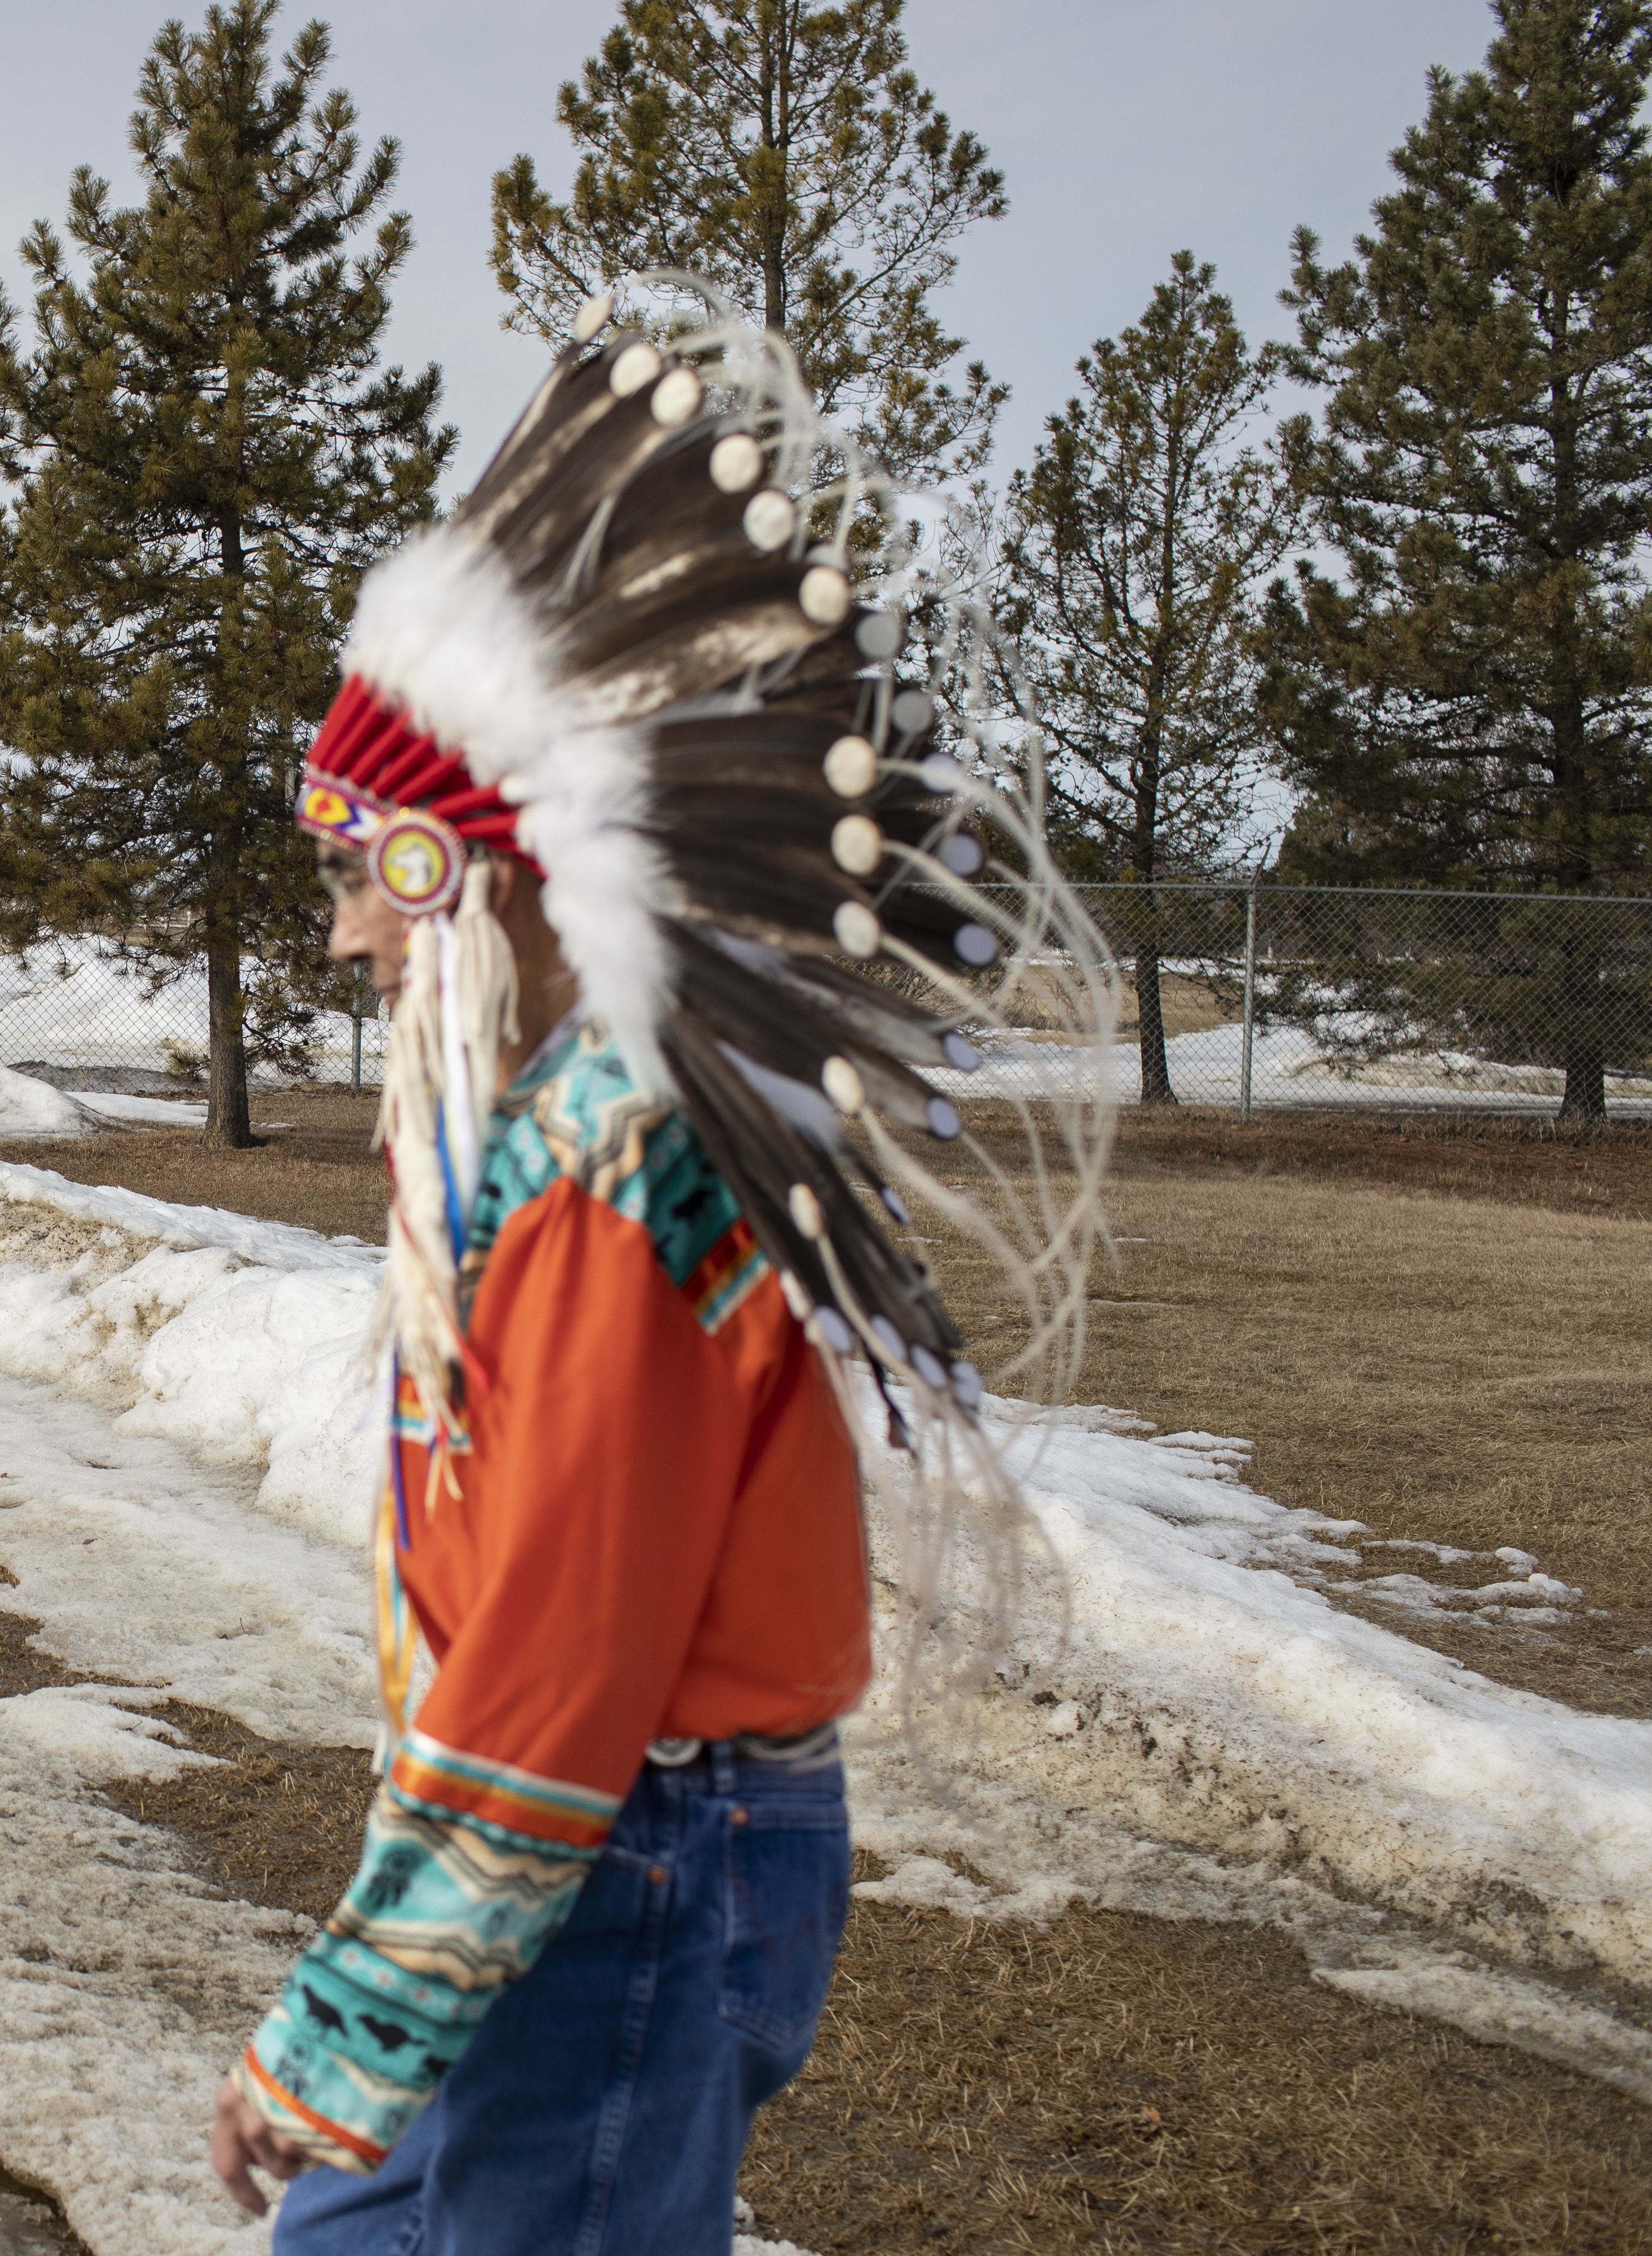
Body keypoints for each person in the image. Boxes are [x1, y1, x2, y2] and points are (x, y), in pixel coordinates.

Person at [204, 298, 1109, 2252]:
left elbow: (567, 1641)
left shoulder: (626, 1190)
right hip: (577, 1826)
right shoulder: (544, 1149)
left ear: (482, 869)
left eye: (367, 870)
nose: (349, 936)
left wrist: (353, 2020)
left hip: (637, 1850)